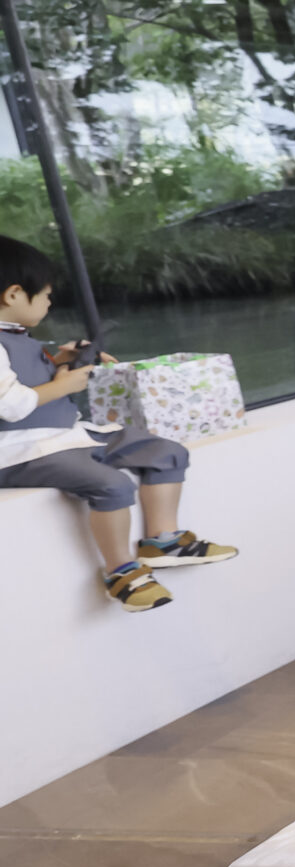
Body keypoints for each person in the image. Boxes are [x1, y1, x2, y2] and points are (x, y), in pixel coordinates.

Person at [0, 235, 237, 613]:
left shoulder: (17, 337)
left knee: (165, 452)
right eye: (45, 295)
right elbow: (11, 404)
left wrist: (61, 361)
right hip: (19, 449)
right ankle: (122, 572)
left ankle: (162, 540)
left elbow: (21, 376)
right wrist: (64, 385)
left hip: (64, 435)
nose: (49, 303)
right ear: (13, 294)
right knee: (111, 484)